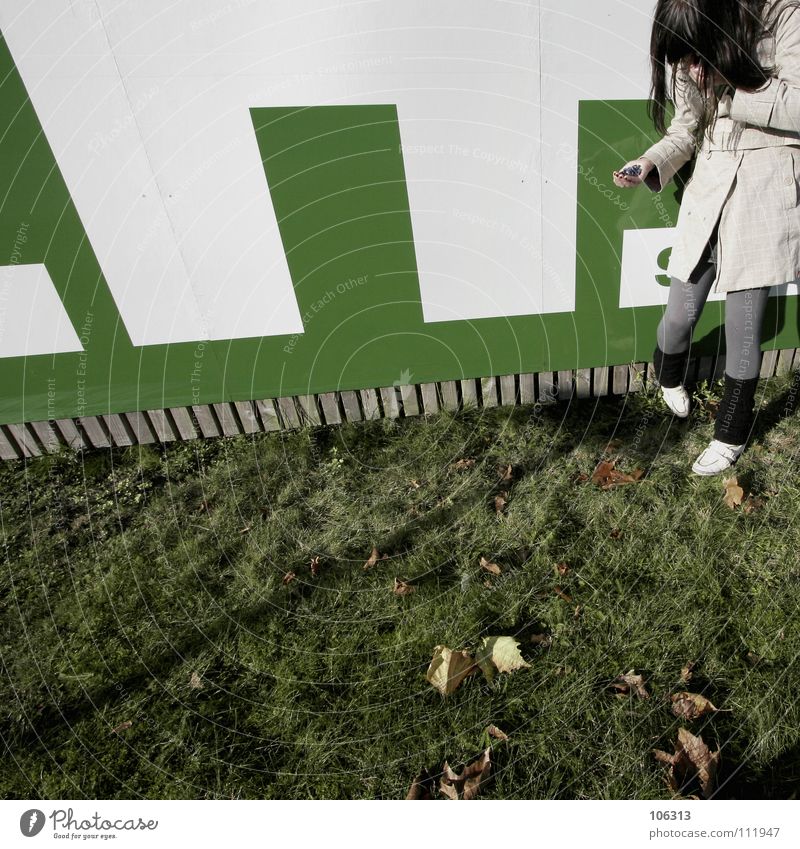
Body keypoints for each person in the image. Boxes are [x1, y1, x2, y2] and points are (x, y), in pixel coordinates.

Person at [613, 0, 800, 475]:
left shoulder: (785, 14)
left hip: (766, 187)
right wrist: (650, 161)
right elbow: (685, 127)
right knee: (679, 314)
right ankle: (669, 376)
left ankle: (732, 433)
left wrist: (726, 85)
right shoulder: (691, 44)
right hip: (710, 183)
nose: (690, 64)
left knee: (744, 329)